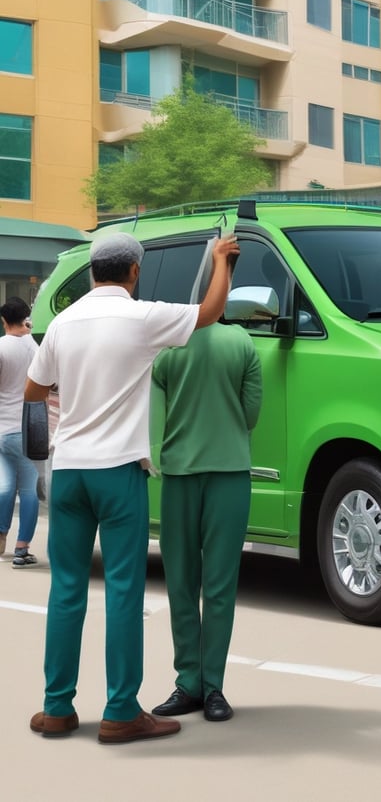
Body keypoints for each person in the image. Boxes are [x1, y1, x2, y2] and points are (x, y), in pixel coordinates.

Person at [24, 231, 239, 744]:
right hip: (118, 470)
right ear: (134, 272)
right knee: (123, 591)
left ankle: (57, 708)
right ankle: (121, 711)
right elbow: (209, 312)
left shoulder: (64, 323)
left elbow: (33, 389)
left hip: (68, 470)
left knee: (66, 589)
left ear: (92, 273)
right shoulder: (142, 317)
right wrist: (220, 260)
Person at [151, 317, 262, 722]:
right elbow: (250, 415)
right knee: (220, 585)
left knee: (181, 583)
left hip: (178, 474)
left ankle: (188, 683)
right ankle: (213, 687)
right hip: (230, 473)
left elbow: (155, 417)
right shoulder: (243, 343)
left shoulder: (167, 347)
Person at [0, 297, 40, 567]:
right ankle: (21, 549)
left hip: (1, 430)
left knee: (4, 486)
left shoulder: (1, 347)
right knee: (28, 489)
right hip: (27, 429)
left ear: (3, 320)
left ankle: (1, 533)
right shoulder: (35, 347)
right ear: (26, 318)